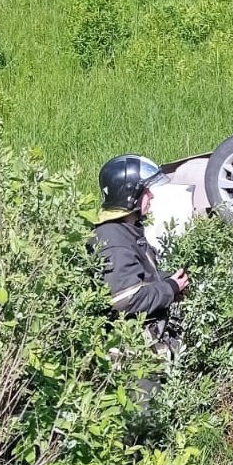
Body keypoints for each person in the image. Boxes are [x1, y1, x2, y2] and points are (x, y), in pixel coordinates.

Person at [88, 154, 189, 362]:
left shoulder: (127, 232)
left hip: (145, 351)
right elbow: (126, 299)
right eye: (146, 190)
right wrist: (169, 288)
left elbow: (140, 277)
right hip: (131, 358)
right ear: (130, 195)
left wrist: (169, 281)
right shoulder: (113, 239)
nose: (151, 195)